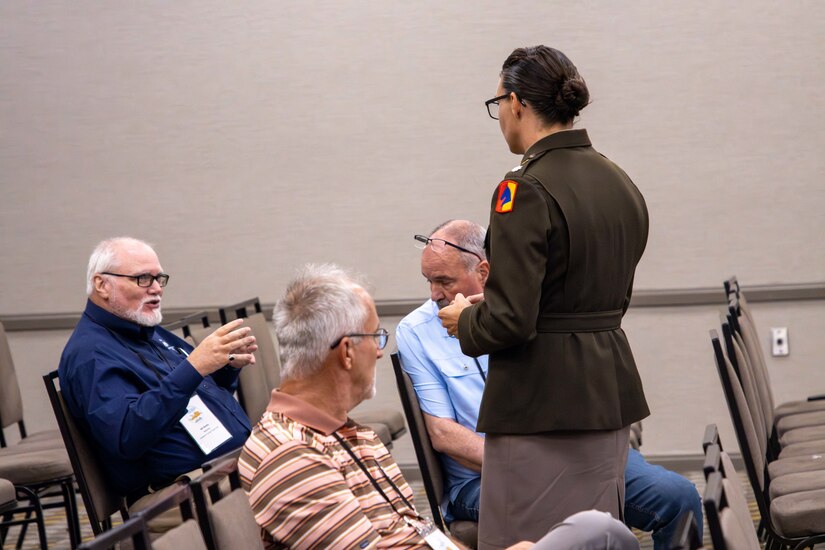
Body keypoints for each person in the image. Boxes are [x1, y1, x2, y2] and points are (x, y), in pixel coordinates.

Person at [239, 264, 640, 550]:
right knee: (598, 533)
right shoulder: (292, 455)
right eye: (375, 338)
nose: (380, 354)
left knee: (595, 529)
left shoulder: (349, 433)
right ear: (346, 352)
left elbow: (414, 533)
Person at [438, 46, 650, 549]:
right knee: (597, 537)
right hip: (608, 391)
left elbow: (511, 320)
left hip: (541, 405)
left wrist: (463, 321)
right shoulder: (620, 181)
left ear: (515, 103)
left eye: (496, 106)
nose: (499, 119)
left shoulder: (523, 190)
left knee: (525, 541)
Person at [398, 220, 703, 550]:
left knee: (678, 497)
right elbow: (444, 434)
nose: (434, 294)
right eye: (429, 281)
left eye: (443, 281)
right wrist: (534, 467)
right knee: (588, 519)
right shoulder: (416, 331)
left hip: (568, 453)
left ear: (484, 272)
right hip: (486, 479)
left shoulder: (529, 313)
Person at [59, 237, 257, 511]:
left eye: (159, 278)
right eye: (142, 278)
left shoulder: (146, 330)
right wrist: (195, 367)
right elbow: (128, 436)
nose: (156, 289)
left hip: (226, 466)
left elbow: (192, 391)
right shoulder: (91, 355)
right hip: (181, 490)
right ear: (102, 284)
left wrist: (225, 366)